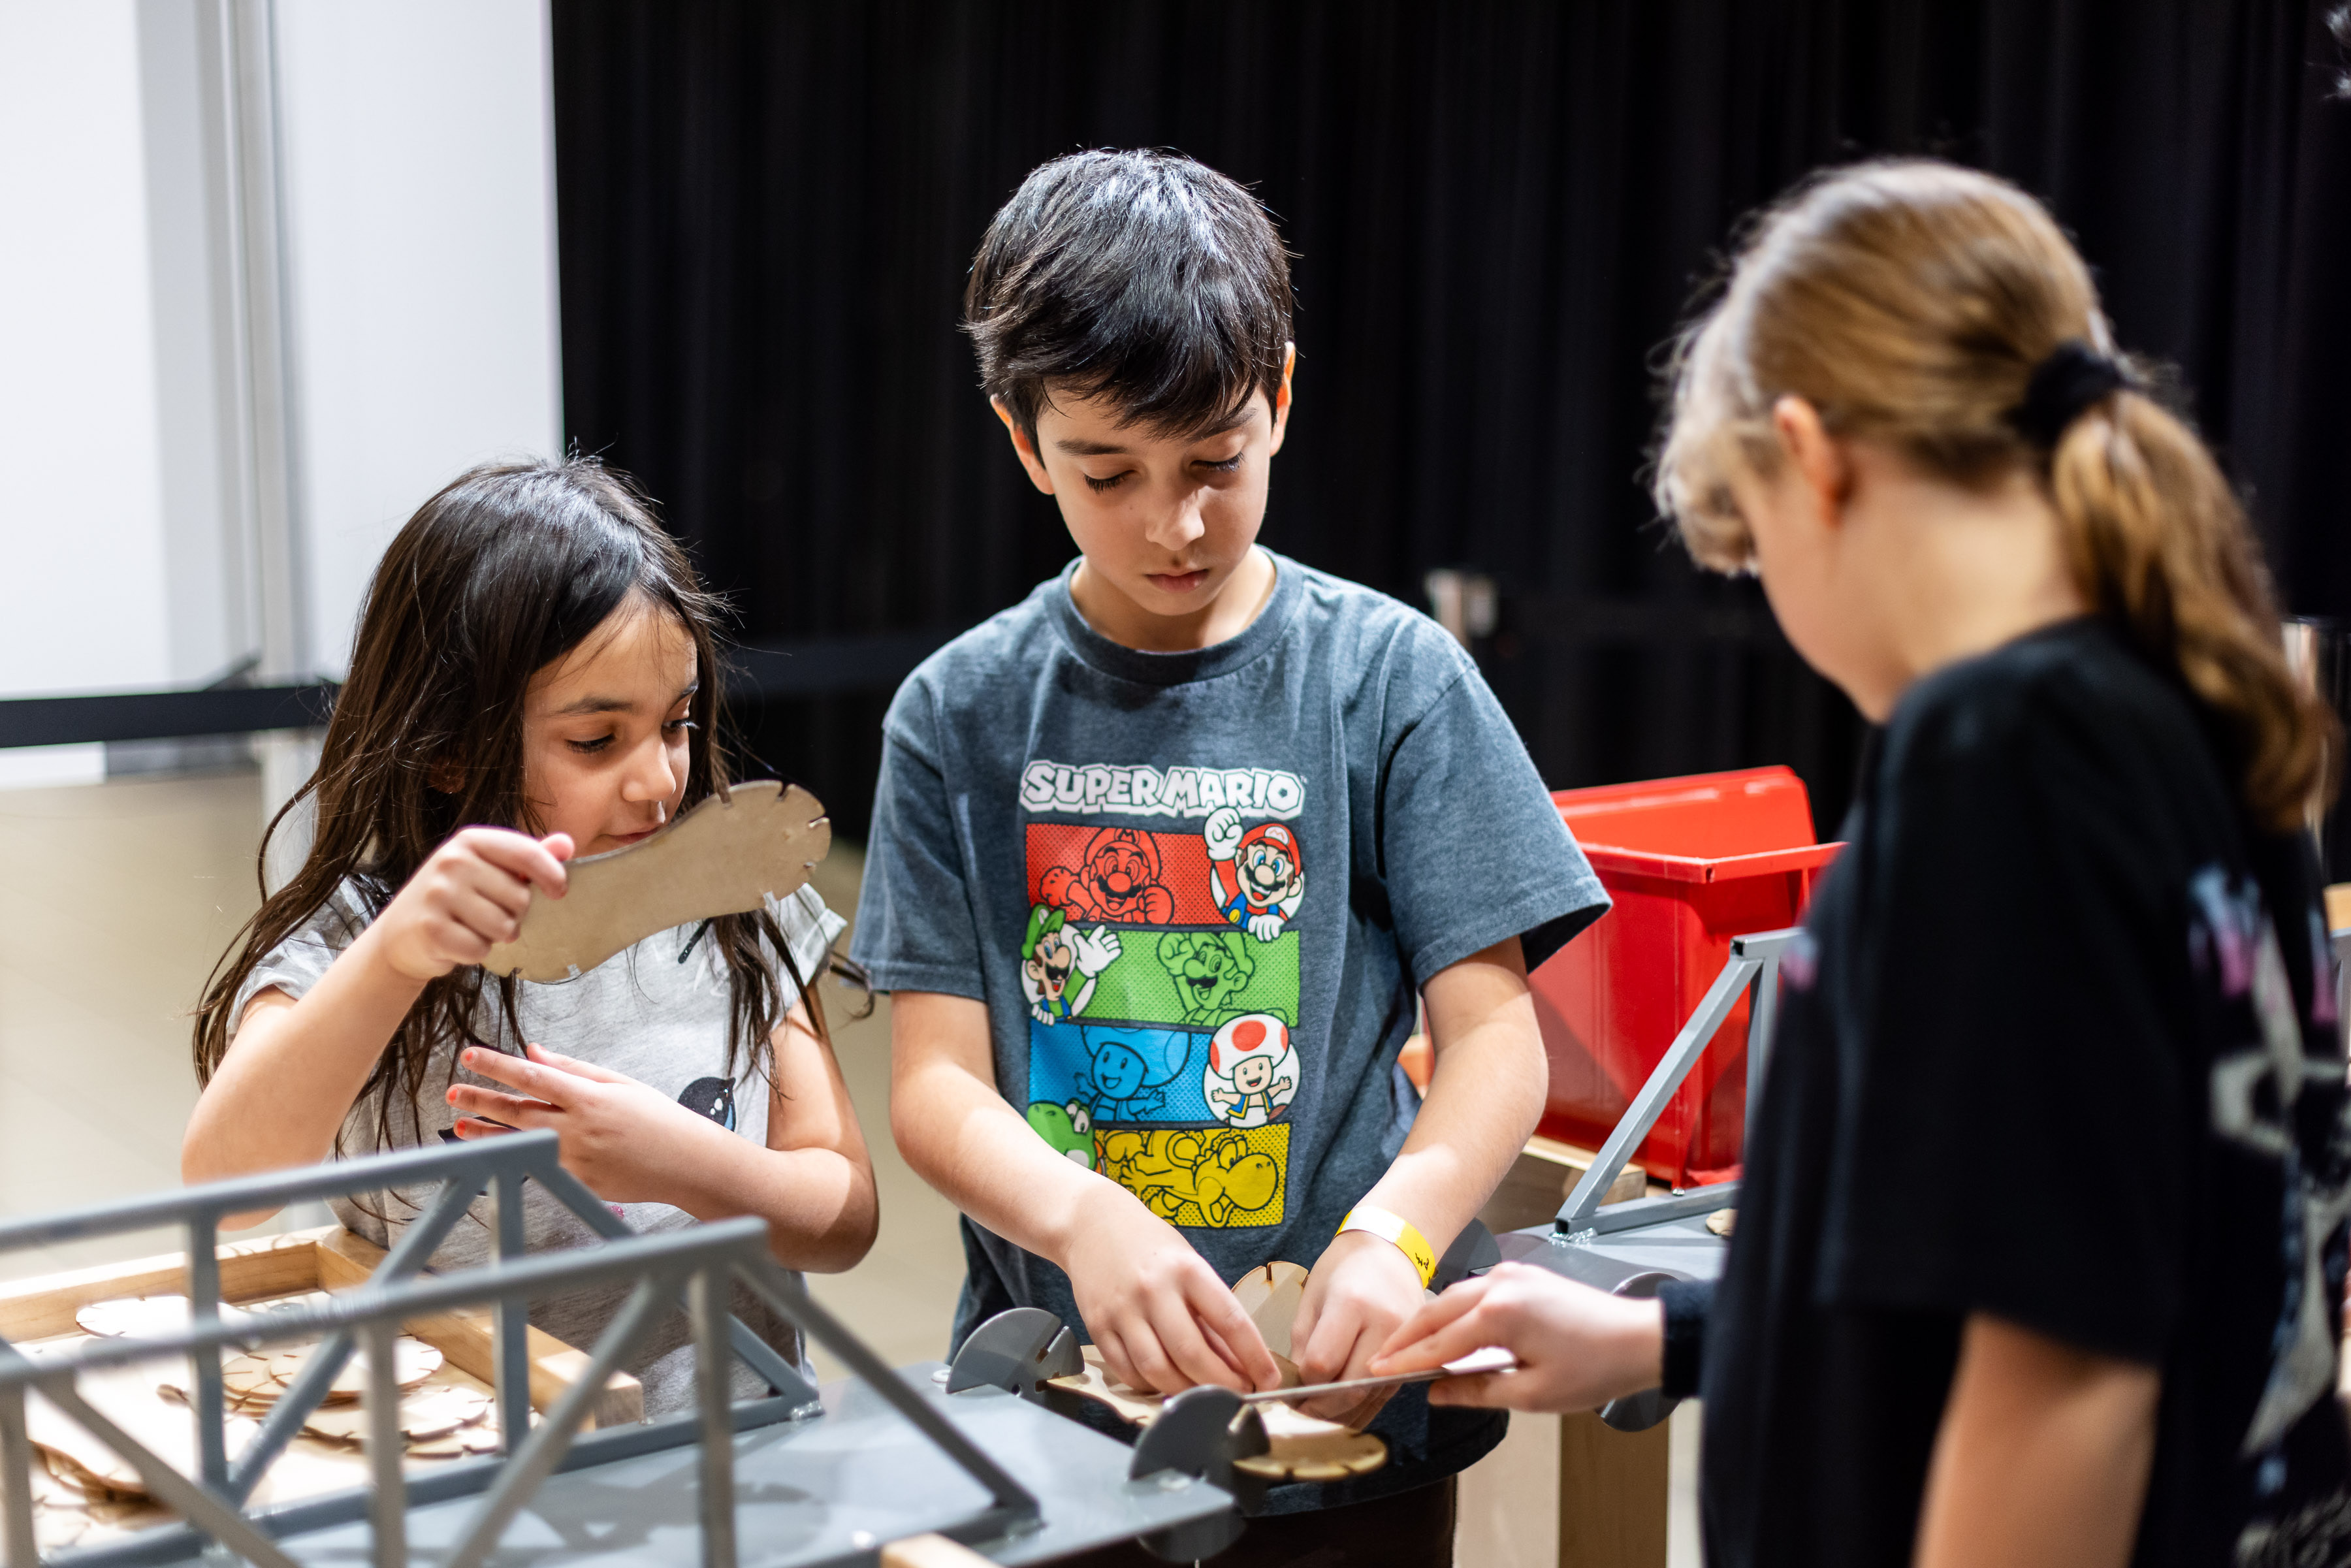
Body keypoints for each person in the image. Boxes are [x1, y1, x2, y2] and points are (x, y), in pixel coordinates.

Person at [1371, 159, 2351, 1567]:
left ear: (1813, 455)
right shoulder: (2202, 698)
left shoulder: (2002, 744)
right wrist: (1657, 1332)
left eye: (1756, 546)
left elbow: (2062, 1382)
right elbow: (2060, 1241)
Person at [852, 150, 1607, 1560]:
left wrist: (1396, 1233)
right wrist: (1083, 1221)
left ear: (1282, 399)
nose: (1173, 523)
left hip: (1342, 1398)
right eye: (1107, 472)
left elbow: (1499, 1051)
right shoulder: (958, 715)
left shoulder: (1394, 679)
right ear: (1024, 445)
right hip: (1066, 1398)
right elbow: (936, 1089)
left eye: (1215, 462)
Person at [184, 458, 876, 1416]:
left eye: (675, 724)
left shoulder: (737, 900)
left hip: (733, 1469)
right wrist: (394, 958)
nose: (657, 782)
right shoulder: (354, 937)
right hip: (470, 1491)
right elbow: (225, 1189)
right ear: (448, 744)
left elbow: (842, 1216)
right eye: (597, 742)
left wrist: (679, 1158)